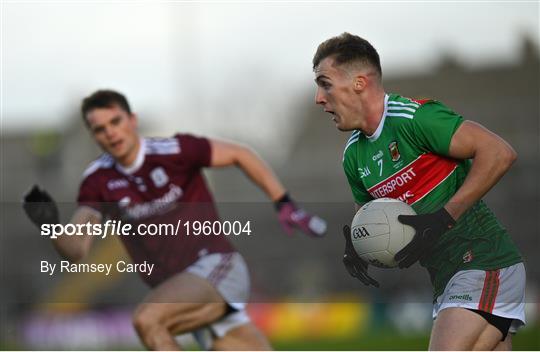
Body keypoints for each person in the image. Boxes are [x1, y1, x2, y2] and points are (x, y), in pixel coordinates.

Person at [23, 89, 327, 351]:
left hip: (216, 268)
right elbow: (77, 249)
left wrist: (283, 202)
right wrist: (50, 226)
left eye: (115, 121)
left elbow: (240, 154)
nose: (110, 133)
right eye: (99, 129)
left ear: (132, 120)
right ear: (93, 135)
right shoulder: (97, 180)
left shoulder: (174, 151)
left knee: (149, 319)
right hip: (183, 291)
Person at [312, 33, 525, 350]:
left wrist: (444, 217)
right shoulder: (353, 156)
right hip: (444, 280)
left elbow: (499, 152)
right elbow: (371, 217)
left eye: (325, 83)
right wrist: (359, 244)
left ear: (359, 83)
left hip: (483, 262)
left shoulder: (414, 118)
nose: (318, 98)